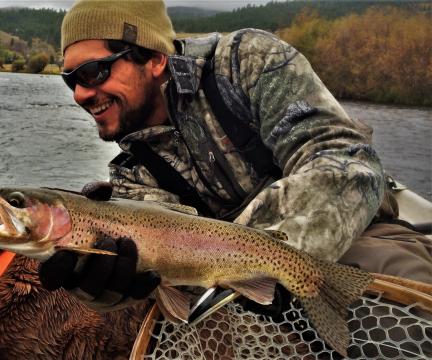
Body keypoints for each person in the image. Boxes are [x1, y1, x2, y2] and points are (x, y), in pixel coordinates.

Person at [38, 0, 432, 313]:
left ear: (155, 59)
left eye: (93, 72)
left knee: (405, 315)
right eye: (70, 79)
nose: (80, 95)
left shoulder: (246, 62)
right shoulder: (130, 175)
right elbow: (171, 277)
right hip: (234, 290)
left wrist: (264, 257)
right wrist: (106, 291)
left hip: (355, 237)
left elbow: (342, 161)